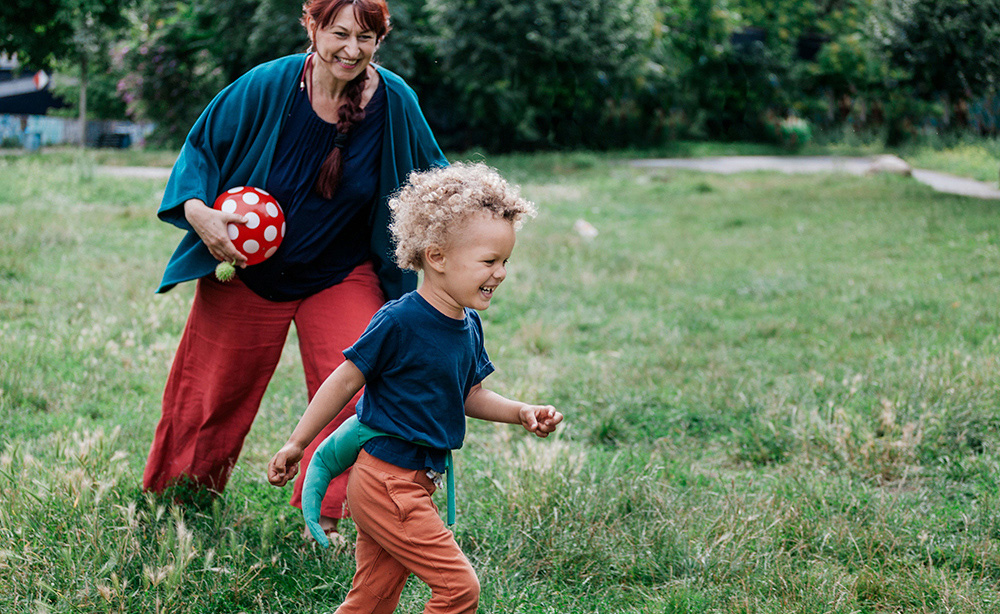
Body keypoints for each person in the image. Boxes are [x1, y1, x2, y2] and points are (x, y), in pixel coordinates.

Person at [143, 0, 448, 539]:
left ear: (381, 41)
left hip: (341, 272)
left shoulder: (395, 101)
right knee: (211, 393)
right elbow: (200, 150)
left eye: (367, 38)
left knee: (358, 388)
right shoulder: (267, 85)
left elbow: (435, 181)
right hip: (248, 272)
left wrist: (472, 224)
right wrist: (199, 212)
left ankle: (327, 513)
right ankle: (178, 501)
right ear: (311, 28)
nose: (351, 49)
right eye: (339, 33)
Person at [267, 162, 563, 614]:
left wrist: (521, 411)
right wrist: (297, 443)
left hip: (416, 482)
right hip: (388, 483)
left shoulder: (468, 324)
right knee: (459, 589)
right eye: (489, 261)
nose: (500, 273)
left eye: (506, 261)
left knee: (372, 600)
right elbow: (344, 380)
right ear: (437, 257)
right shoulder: (399, 321)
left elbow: (469, 395)